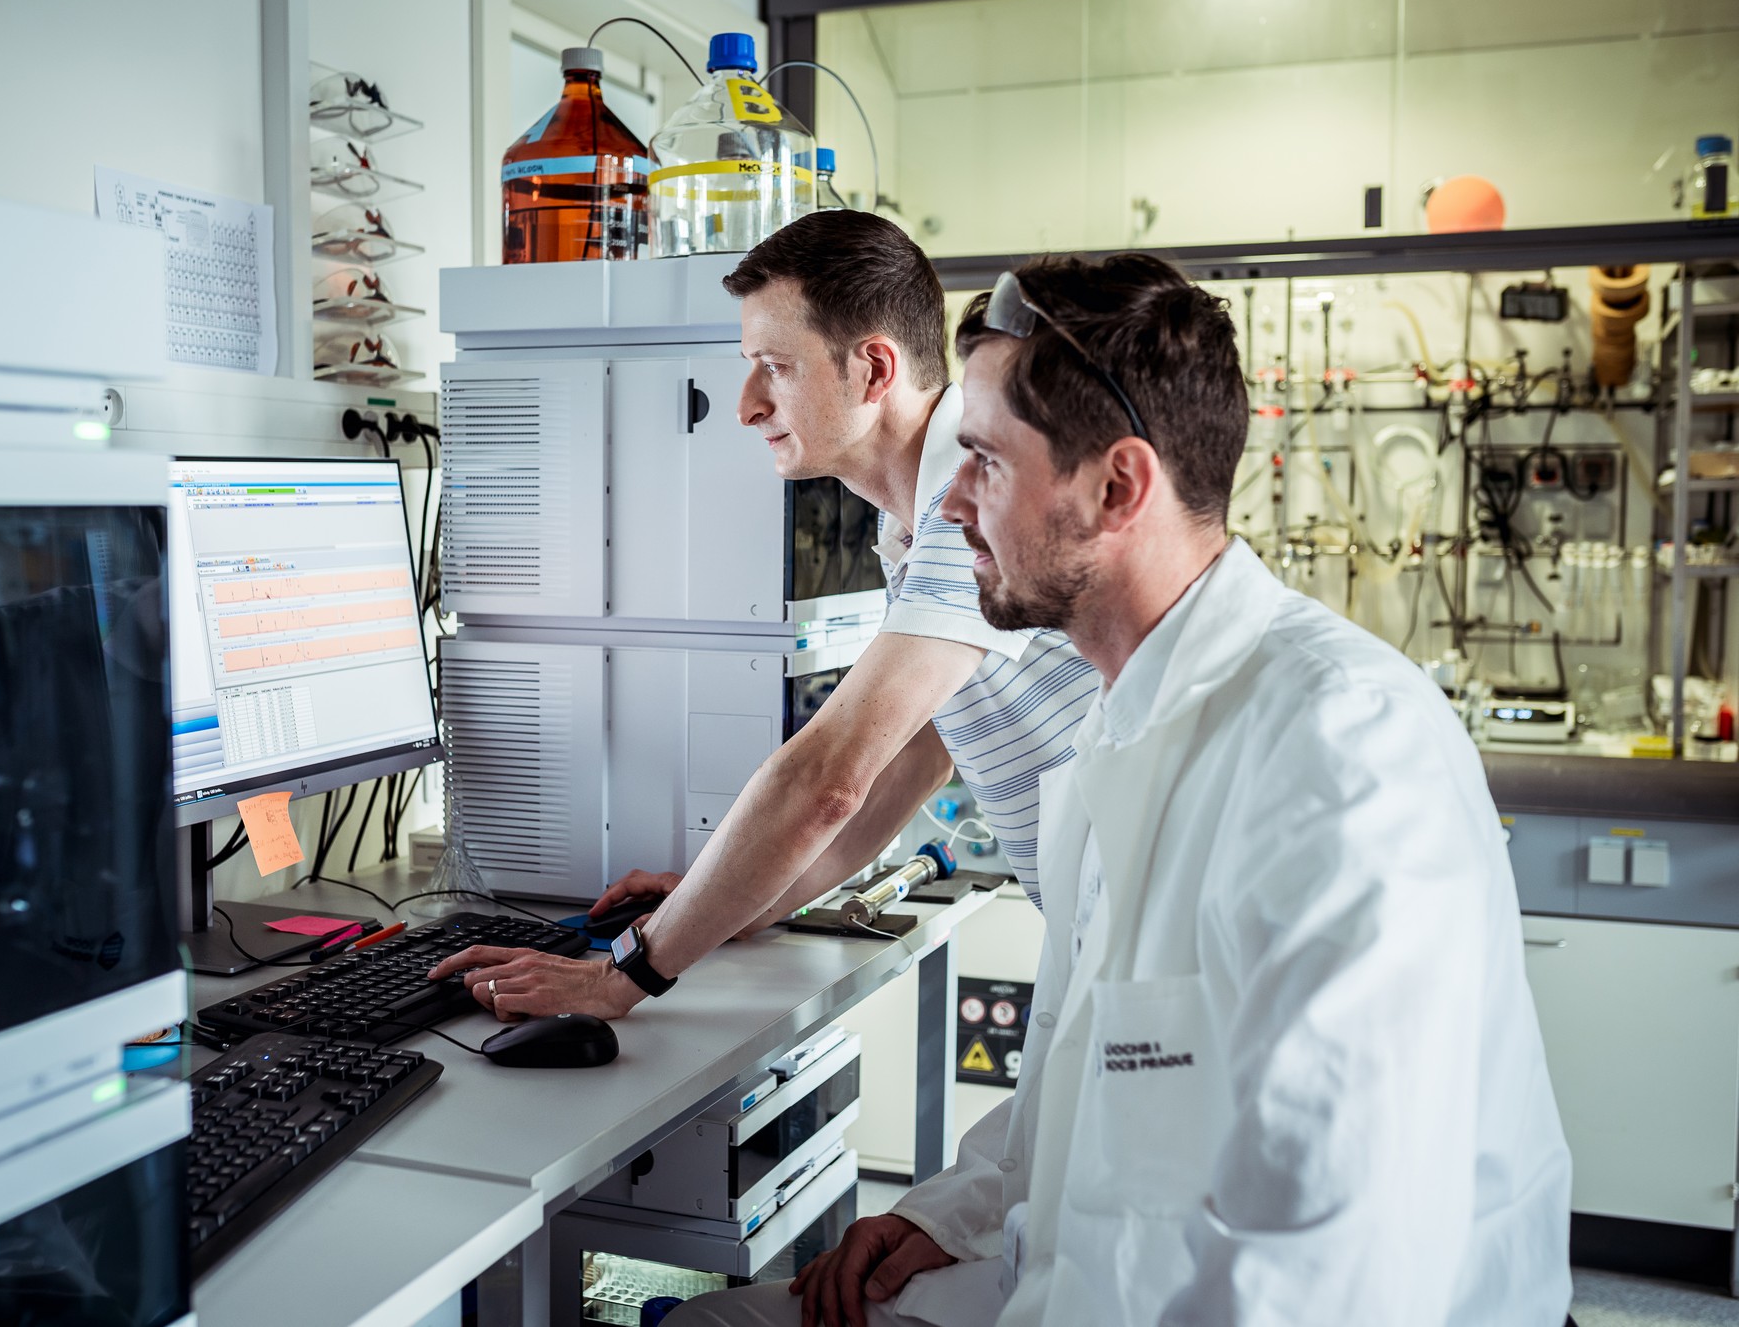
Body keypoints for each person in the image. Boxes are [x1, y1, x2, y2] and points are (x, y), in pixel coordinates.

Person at [667, 254, 1573, 1327]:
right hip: (1073, 1279)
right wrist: (947, 1212)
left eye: (985, 464)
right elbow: (1083, 1061)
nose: (949, 504)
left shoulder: (1335, 753)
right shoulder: (1117, 725)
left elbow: (1328, 1267)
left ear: (1117, 487)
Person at [431, 212, 1096, 1018]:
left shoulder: (969, 494)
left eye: (773, 368)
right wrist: (752, 900)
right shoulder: (916, 515)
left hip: (1150, 926)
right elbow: (919, 755)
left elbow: (828, 779)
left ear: (874, 369)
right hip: (1106, 922)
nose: (746, 405)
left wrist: (626, 973)